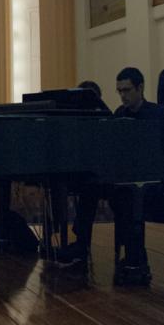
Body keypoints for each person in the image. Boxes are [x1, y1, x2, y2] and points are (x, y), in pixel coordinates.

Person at [57, 67, 163, 266]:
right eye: (119, 91)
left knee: (126, 198)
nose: (123, 96)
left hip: (150, 181)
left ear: (140, 88)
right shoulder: (119, 113)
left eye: (127, 90)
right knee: (89, 185)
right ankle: (81, 244)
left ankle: (134, 255)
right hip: (123, 178)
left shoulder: (157, 114)